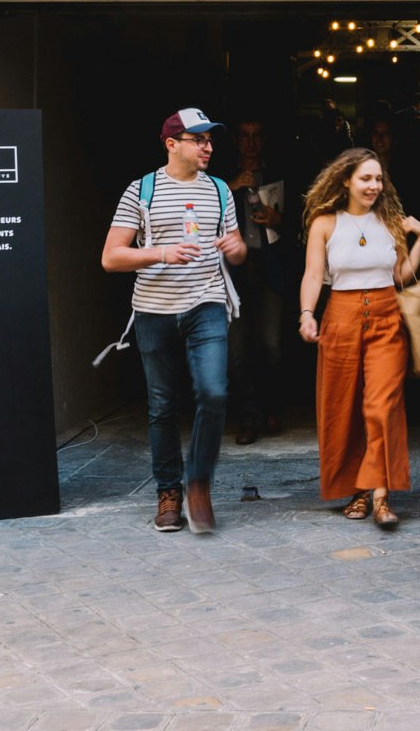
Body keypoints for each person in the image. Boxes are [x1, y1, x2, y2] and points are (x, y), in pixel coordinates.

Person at [100, 107, 247, 535]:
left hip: (206, 304)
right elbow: (111, 257)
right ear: (171, 144)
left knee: (214, 393)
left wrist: (236, 247)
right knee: (162, 406)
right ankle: (169, 491)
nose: (208, 146)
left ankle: (199, 482)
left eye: (210, 139)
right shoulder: (141, 190)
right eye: (198, 139)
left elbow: (237, 251)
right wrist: (161, 253)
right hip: (154, 310)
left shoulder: (219, 189)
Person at [298, 147, 420, 529]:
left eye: (378, 179)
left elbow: (400, 276)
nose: (374, 186)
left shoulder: (390, 222)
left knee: (380, 406)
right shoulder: (325, 223)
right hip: (340, 319)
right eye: (365, 178)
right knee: (345, 408)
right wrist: (307, 313)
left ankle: (380, 496)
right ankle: (358, 489)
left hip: (387, 319)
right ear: (346, 181)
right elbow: (313, 274)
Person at [226, 118, 284, 443]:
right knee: (237, 348)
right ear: (236, 140)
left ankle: (272, 407)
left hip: (269, 264)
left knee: (271, 343)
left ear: (264, 140)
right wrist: (230, 186)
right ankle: (247, 418)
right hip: (234, 270)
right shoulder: (221, 180)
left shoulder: (277, 174)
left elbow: (302, 220)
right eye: (245, 137)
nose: (251, 143)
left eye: (256, 136)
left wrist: (279, 219)